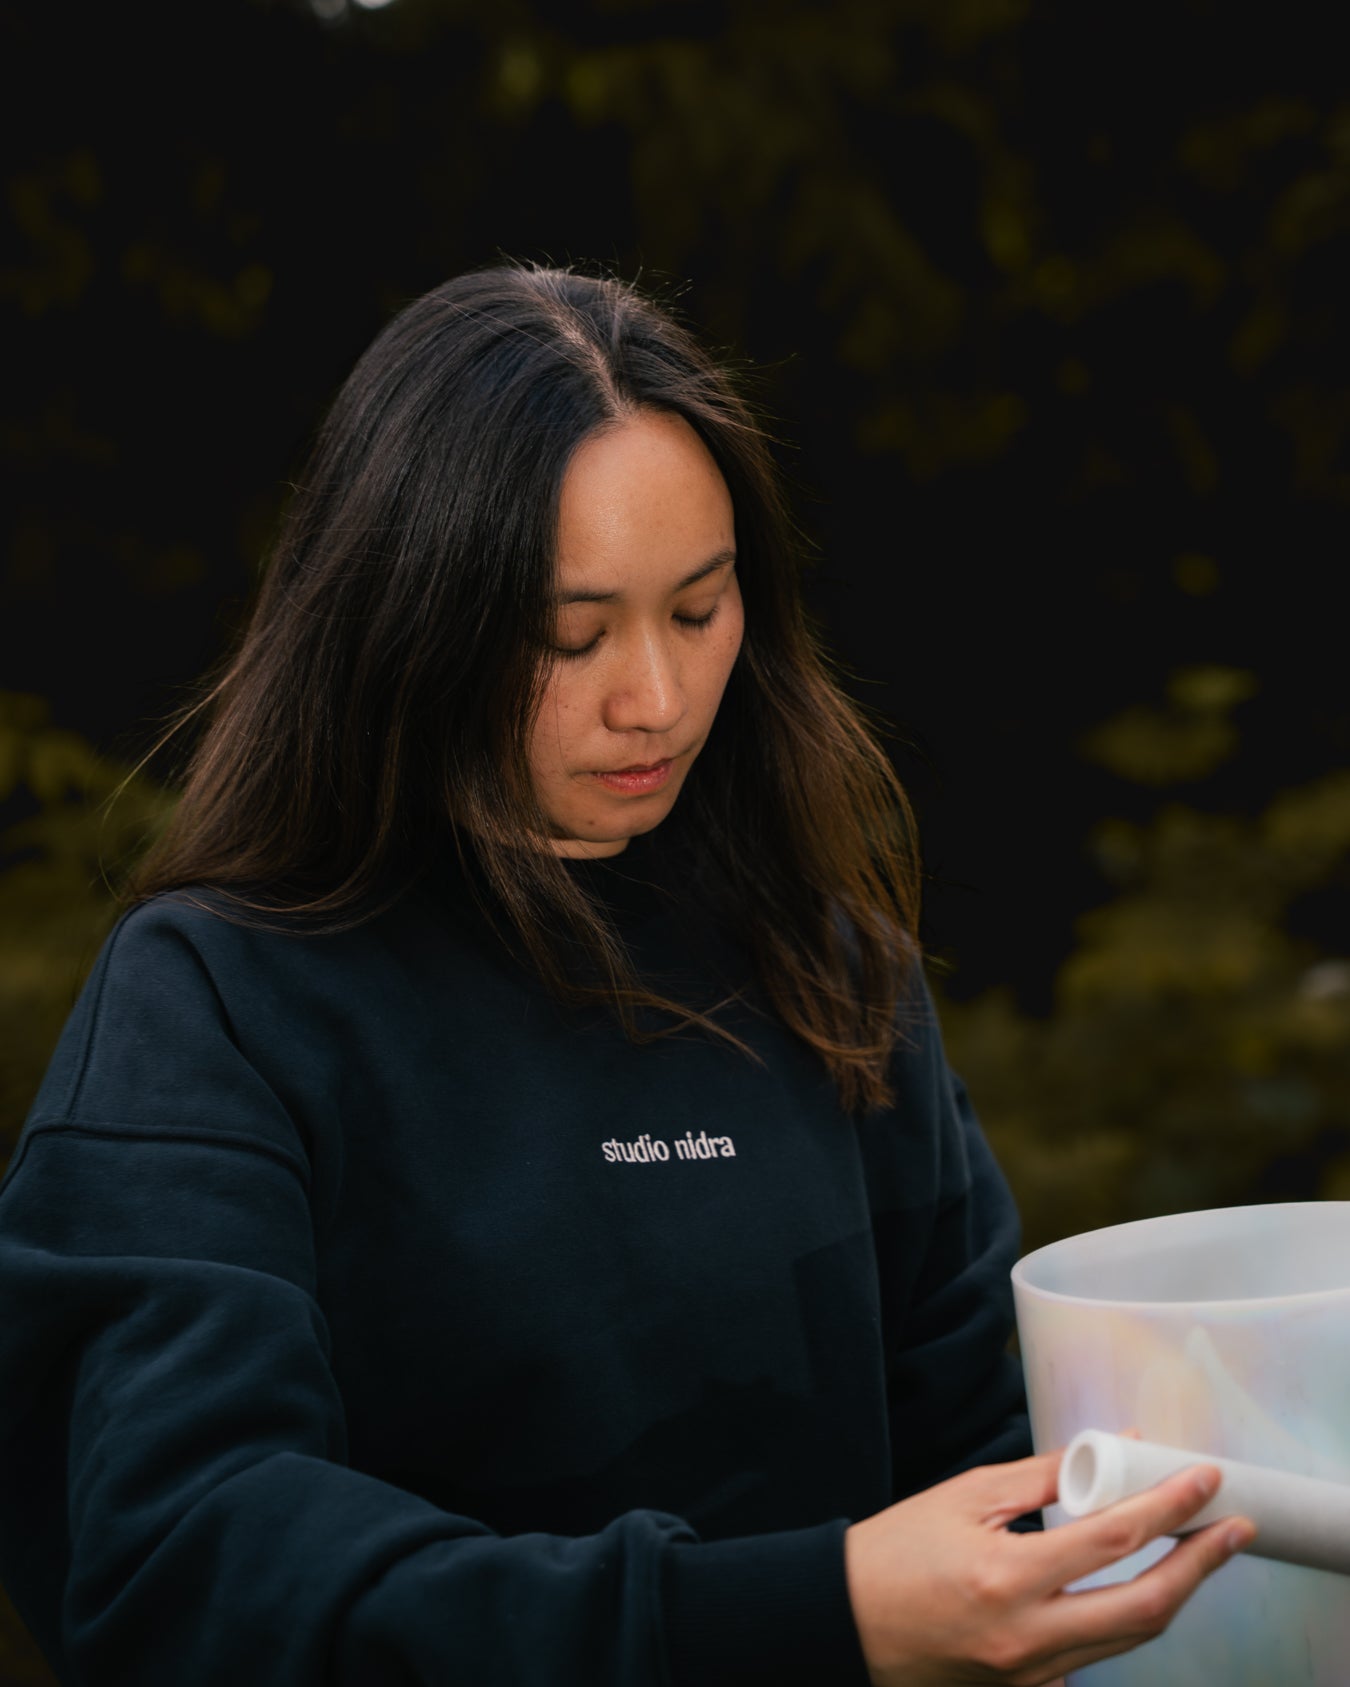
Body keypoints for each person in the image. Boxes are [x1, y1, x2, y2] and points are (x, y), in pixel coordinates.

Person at [0, 262, 1252, 1686]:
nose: (652, 700)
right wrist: (812, 1616)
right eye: (569, 636)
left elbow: (996, 1462)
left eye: (700, 610)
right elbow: (184, 1565)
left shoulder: (826, 966)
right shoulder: (216, 1004)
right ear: (404, 621)